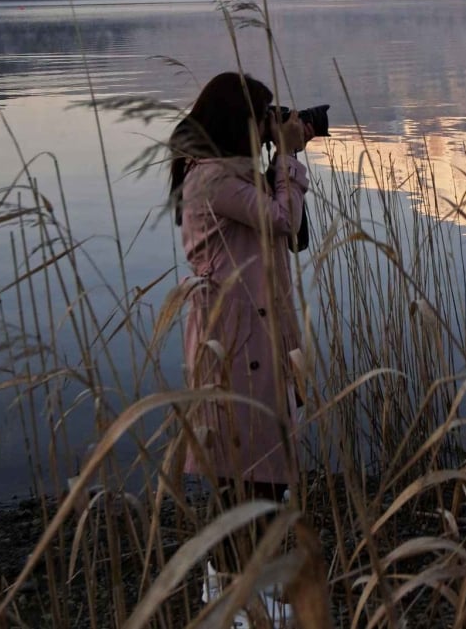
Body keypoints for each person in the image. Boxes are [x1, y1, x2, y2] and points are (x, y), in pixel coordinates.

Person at [168, 71, 313, 621]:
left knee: (258, 472)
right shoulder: (211, 180)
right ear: (238, 121)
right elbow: (281, 217)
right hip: (233, 340)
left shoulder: (236, 175)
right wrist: (290, 161)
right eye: (263, 116)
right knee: (243, 473)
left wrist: (281, 162)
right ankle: (231, 595)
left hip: (255, 333)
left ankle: (238, 590)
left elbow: (292, 236)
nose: (269, 125)